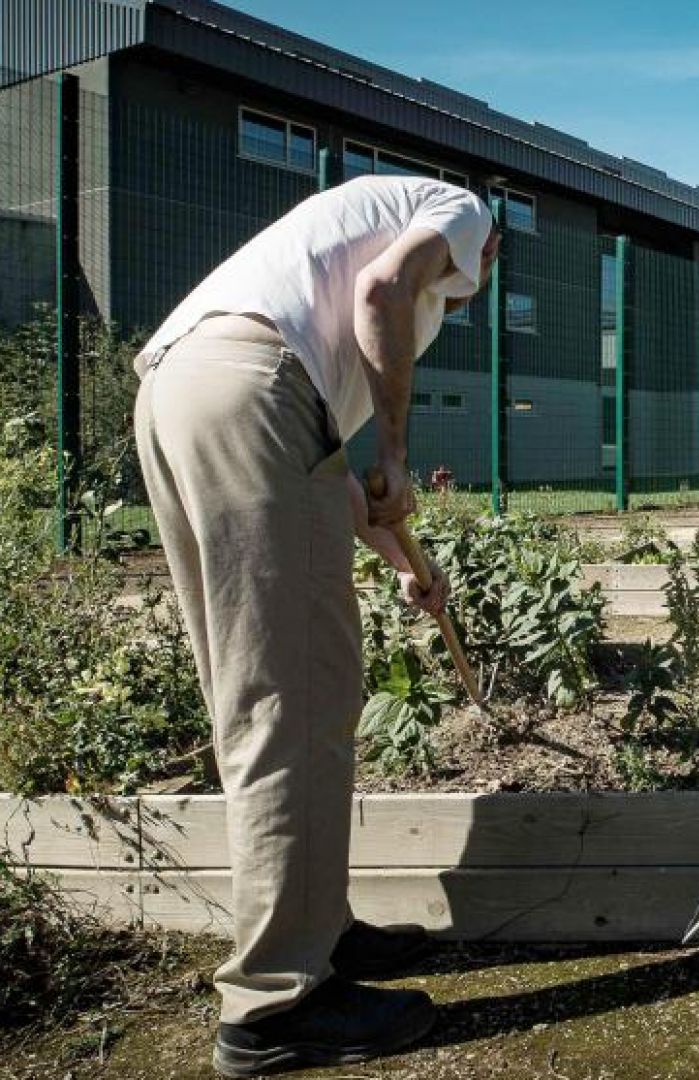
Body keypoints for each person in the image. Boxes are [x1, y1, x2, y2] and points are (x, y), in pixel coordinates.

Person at [132, 173, 500, 1077]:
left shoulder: (308, 280)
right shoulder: (462, 211)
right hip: (250, 394)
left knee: (272, 685)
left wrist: (411, 564)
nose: (472, 285)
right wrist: (402, 453)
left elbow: (317, 471)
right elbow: (383, 293)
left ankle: (318, 933)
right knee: (292, 699)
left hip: (188, 391)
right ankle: (275, 1005)